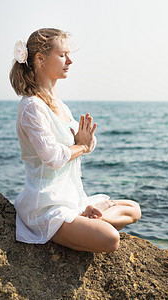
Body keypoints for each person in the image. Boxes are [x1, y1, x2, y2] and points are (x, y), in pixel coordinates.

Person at [9, 28, 141, 253]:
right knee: (110, 239)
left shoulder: (59, 104)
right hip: (46, 207)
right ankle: (86, 223)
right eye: (62, 55)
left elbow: (83, 144)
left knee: (134, 209)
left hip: (72, 200)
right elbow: (53, 156)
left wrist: (84, 143)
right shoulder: (32, 106)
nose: (69, 61)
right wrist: (81, 146)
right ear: (40, 58)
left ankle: (85, 217)